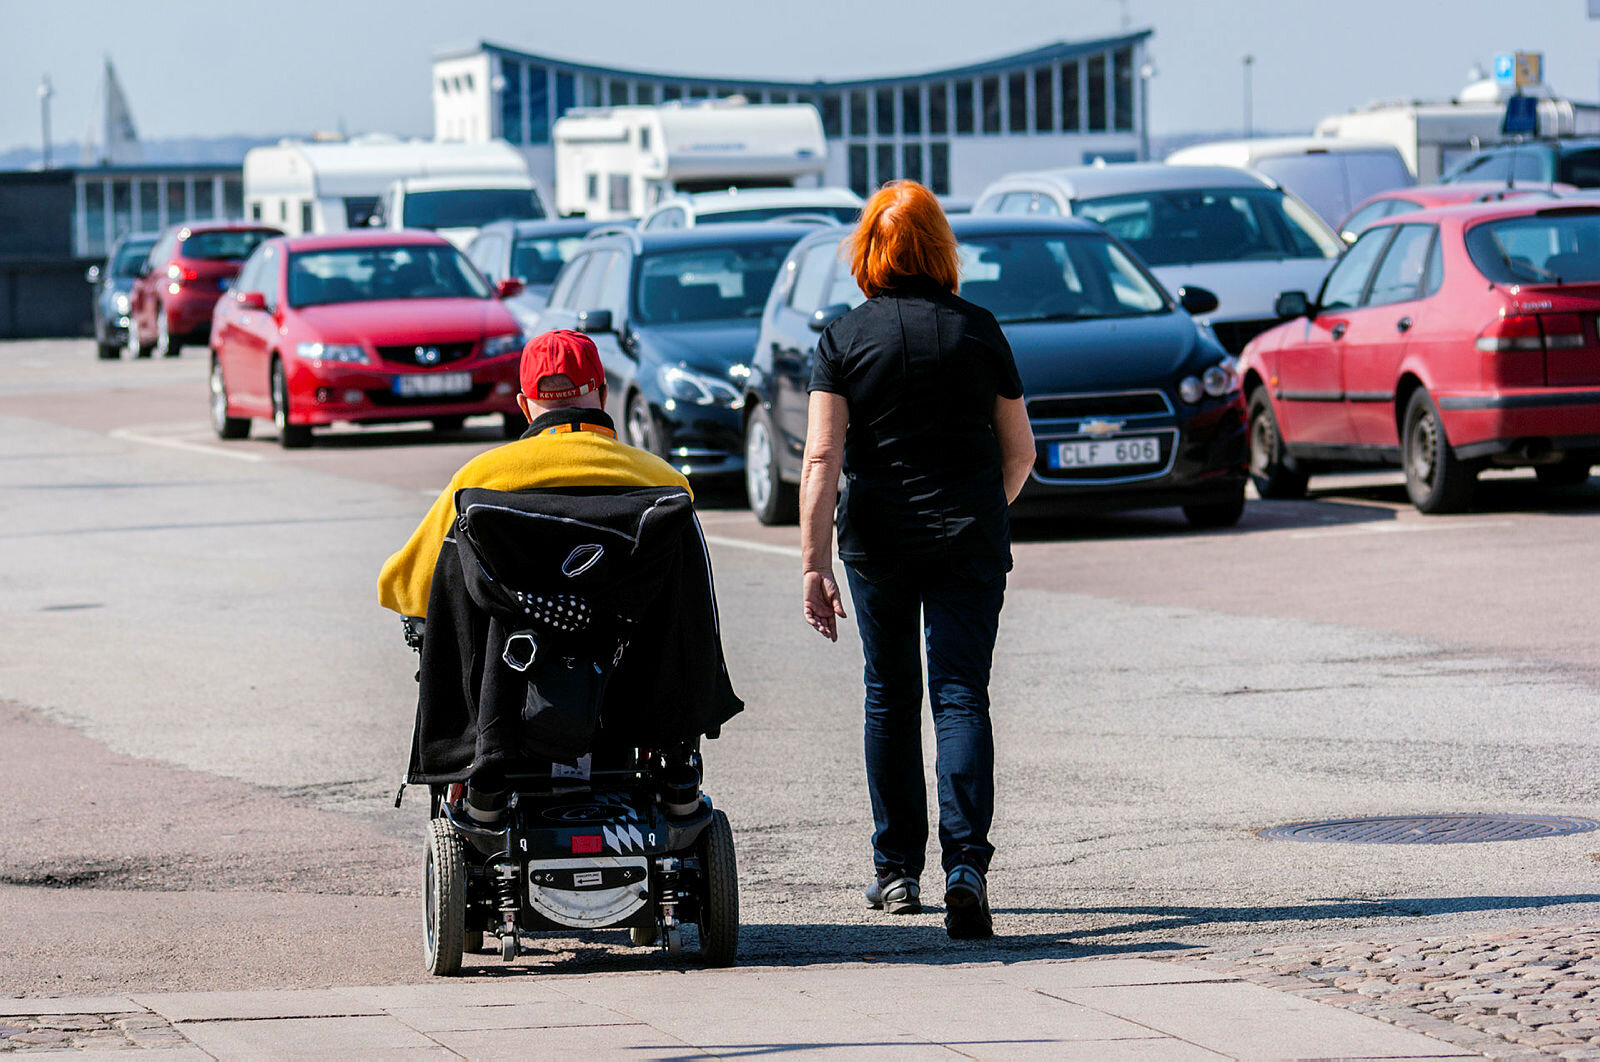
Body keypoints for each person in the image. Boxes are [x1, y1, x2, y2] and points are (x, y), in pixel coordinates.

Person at [800, 180, 1035, 940]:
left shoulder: (842, 339)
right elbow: (1021, 451)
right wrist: (983, 511)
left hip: (878, 537)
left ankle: (896, 872)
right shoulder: (980, 330)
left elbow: (821, 456)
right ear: (941, 249)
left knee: (890, 694)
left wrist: (812, 561)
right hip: (968, 534)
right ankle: (966, 866)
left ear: (868, 252)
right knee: (961, 694)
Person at [377, 329, 689, 620]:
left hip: (512, 670)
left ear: (524, 406)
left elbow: (408, 589)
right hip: (638, 667)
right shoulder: (666, 481)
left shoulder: (478, 477)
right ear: (604, 396)